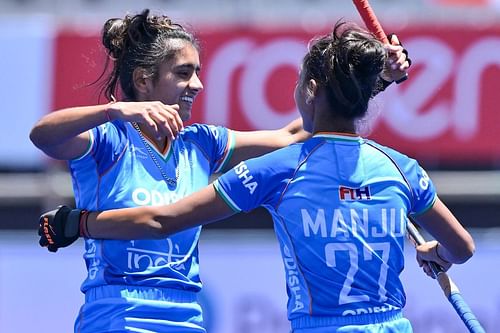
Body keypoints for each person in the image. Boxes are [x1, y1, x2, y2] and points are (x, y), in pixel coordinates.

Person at [32, 10, 412, 333]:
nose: (197, 85)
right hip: (118, 312)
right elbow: (43, 135)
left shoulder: (201, 142)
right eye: (183, 73)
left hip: (188, 314)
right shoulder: (106, 141)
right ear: (144, 81)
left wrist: (377, 81)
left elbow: (297, 133)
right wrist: (113, 111)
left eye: (197, 72)